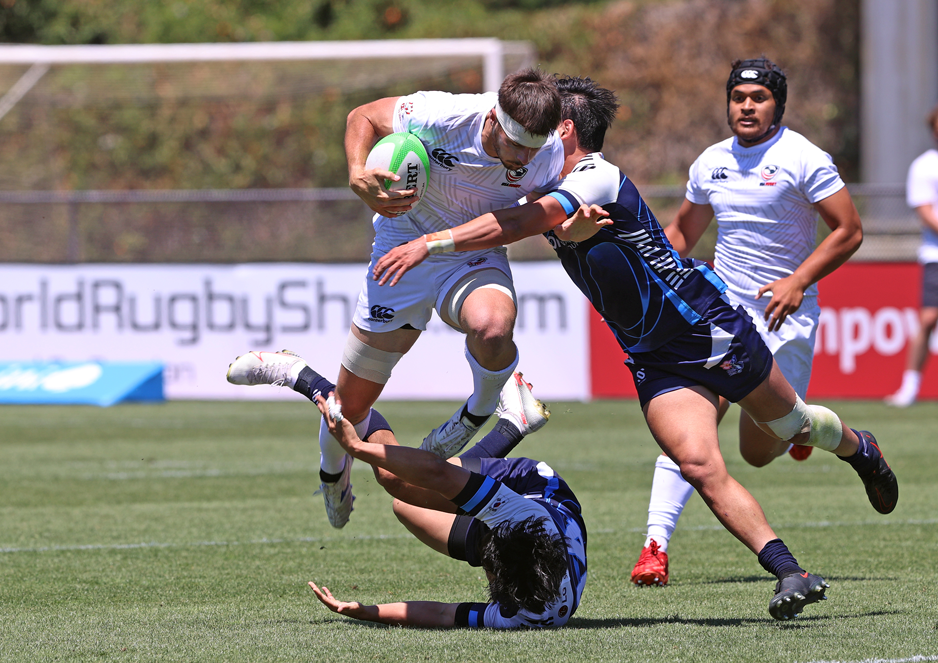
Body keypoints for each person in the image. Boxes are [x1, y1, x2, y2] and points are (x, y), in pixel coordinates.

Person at [371, 74, 898, 620]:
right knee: (697, 463)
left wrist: (430, 242)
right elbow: (521, 206)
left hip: (709, 330)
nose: (532, 141)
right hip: (652, 356)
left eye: (545, 130)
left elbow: (524, 221)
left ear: (566, 129)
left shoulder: (595, 175)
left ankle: (860, 449)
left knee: (792, 428)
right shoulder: (537, 180)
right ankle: (789, 570)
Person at [248, 68, 566, 530]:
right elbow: (363, 116)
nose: (522, 158)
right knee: (351, 406)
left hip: (472, 253)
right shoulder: (444, 115)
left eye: (532, 149)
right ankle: (332, 474)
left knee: (493, 327)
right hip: (401, 243)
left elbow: (544, 213)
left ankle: (481, 410)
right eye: (515, 144)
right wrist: (358, 174)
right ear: (495, 118)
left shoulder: (547, 152)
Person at [628, 58, 865, 587]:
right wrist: (641, 272)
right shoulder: (710, 162)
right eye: (739, 97)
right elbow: (682, 233)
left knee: (759, 453)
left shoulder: (804, 158)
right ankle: (654, 546)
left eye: (758, 97)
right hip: (720, 314)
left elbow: (849, 230)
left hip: (786, 318)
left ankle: (812, 430)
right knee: (691, 432)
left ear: (778, 103)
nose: (747, 106)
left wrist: (797, 281)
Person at [228, 350, 586, 629]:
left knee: (404, 505)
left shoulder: (519, 613)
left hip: (528, 539)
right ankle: (299, 375)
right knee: (394, 478)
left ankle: (514, 423)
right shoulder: (521, 516)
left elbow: (446, 616)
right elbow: (433, 471)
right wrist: (356, 448)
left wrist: (369, 612)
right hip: (537, 490)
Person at [885, 100, 938, 408]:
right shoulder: (924, 166)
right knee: (929, 319)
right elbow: (926, 211)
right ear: (933, 132)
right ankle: (910, 385)